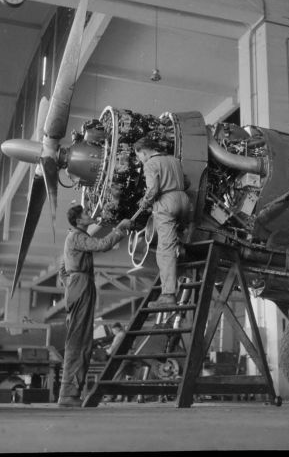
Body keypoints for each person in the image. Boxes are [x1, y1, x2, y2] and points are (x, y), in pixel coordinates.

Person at [57, 205, 132, 408]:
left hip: (77, 285)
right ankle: (69, 394)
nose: (89, 215)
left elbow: (62, 268)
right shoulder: (77, 237)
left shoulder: (71, 237)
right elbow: (101, 245)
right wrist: (120, 229)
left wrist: (70, 284)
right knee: (80, 340)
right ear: (78, 220)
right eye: (85, 214)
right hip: (81, 285)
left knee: (79, 338)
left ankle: (70, 392)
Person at [134, 137, 191, 308]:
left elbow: (153, 189)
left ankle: (168, 295)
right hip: (184, 200)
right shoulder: (174, 160)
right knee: (177, 241)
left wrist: (145, 202)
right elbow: (187, 182)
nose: (140, 160)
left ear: (144, 152)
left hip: (166, 203)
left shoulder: (150, 164)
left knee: (165, 250)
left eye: (139, 156)